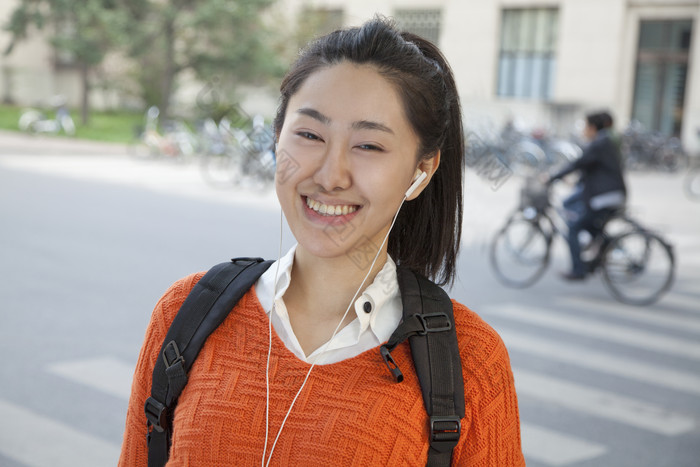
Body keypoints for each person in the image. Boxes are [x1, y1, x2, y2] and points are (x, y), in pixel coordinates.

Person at [119, 17, 524, 466]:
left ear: (421, 171)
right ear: (277, 141)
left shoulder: (471, 361)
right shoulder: (184, 315)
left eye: (368, 146)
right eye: (310, 135)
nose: (331, 176)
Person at [545, 111, 627, 280]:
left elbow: (579, 163)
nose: (583, 130)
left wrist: (552, 177)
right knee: (591, 226)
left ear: (592, 127)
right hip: (610, 194)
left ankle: (578, 270)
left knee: (573, 229)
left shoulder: (599, 143)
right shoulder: (604, 142)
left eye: (585, 126)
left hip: (604, 197)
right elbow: (590, 168)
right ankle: (596, 257)